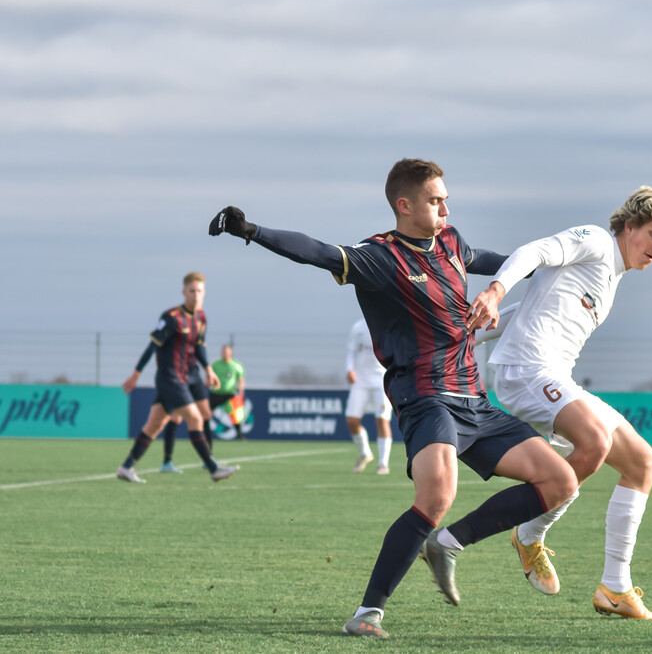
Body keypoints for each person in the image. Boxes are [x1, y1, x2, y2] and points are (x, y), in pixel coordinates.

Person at [208, 159, 578, 640]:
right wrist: (252, 230)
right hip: (425, 396)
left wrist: (555, 267)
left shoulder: (451, 242)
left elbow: (497, 262)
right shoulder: (378, 257)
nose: (445, 206)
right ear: (404, 206)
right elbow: (317, 252)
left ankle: (448, 545)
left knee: (560, 481)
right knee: (438, 493)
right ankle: (367, 613)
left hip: (474, 398)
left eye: (445, 197)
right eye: (434, 199)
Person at [468, 186, 652, 621]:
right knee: (593, 441)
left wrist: (469, 336)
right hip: (526, 372)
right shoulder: (595, 241)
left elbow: (529, 312)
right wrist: (495, 289)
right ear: (629, 226)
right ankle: (529, 535)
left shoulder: (611, 279)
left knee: (643, 462)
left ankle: (615, 588)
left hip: (554, 378)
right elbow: (534, 251)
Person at [118, 272, 240, 484]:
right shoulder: (172, 317)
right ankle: (213, 468)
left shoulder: (201, 318)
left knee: (155, 425)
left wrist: (208, 369)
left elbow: (200, 347)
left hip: (184, 377)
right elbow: (152, 346)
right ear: (184, 292)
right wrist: (136, 374)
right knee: (195, 418)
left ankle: (126, 467)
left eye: (199, 291)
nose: (195, 295)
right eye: (191, 291)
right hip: (169, 378)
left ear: (204, 293)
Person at [346, 318, 393, 474]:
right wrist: (349, 369)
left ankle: (383, 463)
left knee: (382, 420)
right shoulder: (358, 327)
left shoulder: (389, 324)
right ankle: (365, 453)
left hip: (381, 380)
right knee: (352, 420)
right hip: (360, 381)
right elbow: (352, 351)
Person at [210, 345, 247, 440]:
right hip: (216, 393)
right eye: (223, 352)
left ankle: (240, 435)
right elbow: (210, 377)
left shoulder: (236, 366)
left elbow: (241, 380)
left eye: (227, 352)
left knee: (236, 415)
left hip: (230, 394)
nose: (225, 354)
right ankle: (202, 434)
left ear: (230, 353)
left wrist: (241, 393)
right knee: (206, 413)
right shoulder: (216, 364)